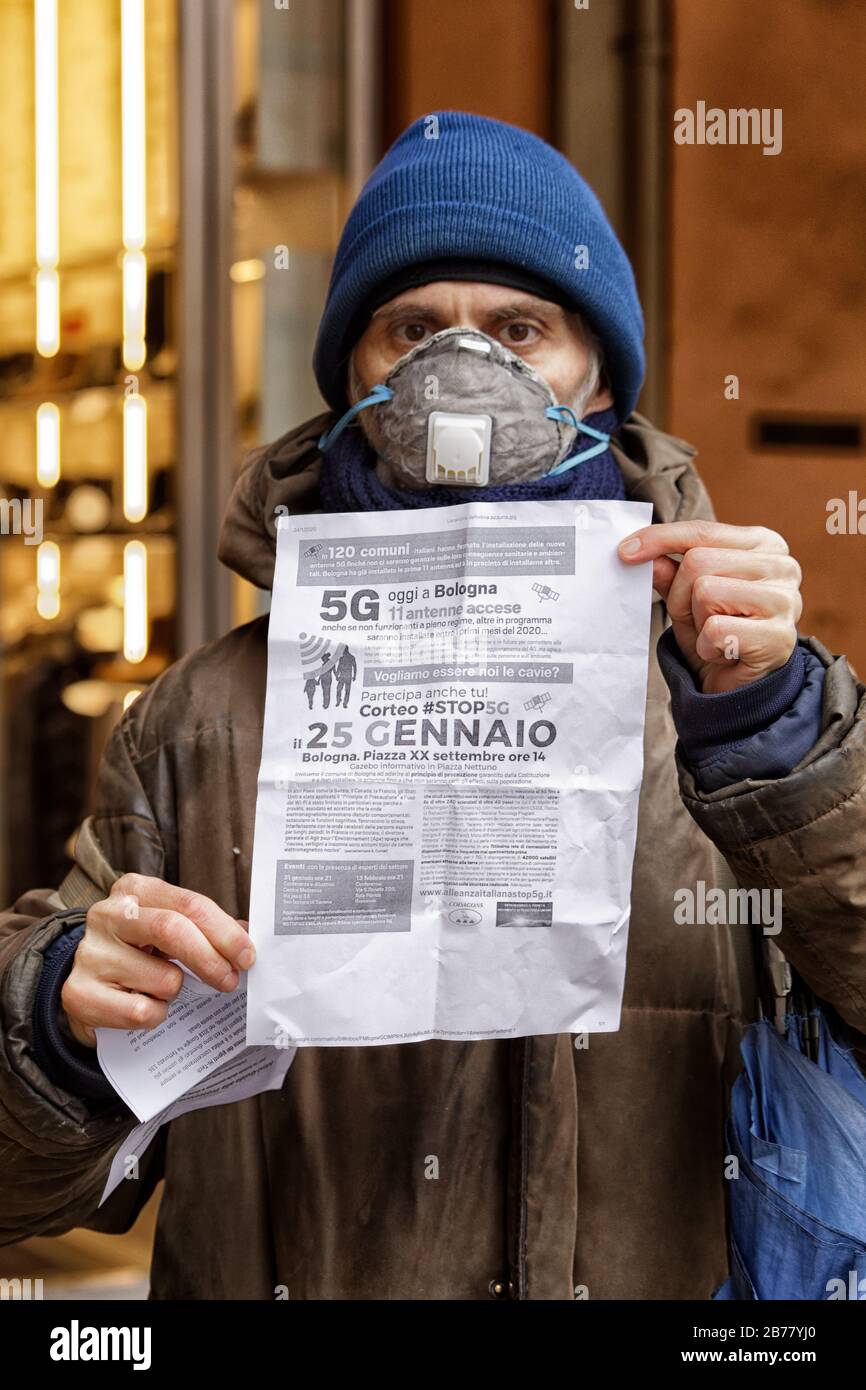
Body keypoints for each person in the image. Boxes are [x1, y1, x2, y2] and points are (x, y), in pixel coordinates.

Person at [0, 112, 863, 1301]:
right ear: (351, 372)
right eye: (411, 328)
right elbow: (28, 1188)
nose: (460, 372)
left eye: (519, 328)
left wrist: (775, 732)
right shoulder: (201, 724)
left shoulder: (730, 702)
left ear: (599, 373)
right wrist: (59, 1024)